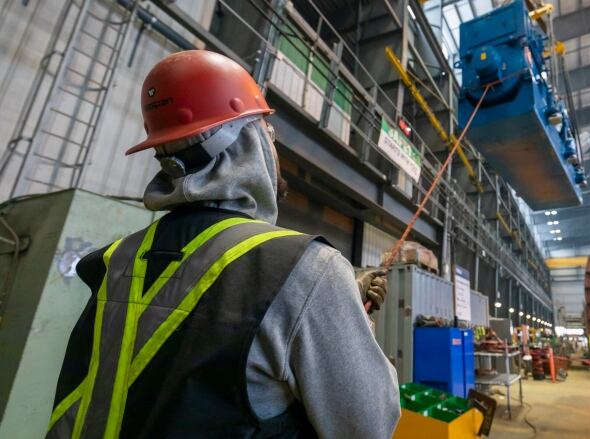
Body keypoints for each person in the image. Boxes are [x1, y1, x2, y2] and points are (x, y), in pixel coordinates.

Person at [46, 50, 400, 439]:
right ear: (248, 141)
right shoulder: (309, 268)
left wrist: (335, 299)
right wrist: (340, 304)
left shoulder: (117, 260)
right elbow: (369, 425)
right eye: (269, 135)